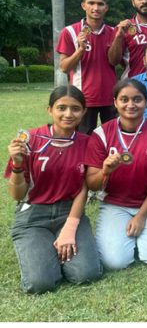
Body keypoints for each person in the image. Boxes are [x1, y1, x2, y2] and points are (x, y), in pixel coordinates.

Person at [5, 86, 102, 294]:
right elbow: (17, 195)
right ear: (50, 110)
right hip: (33, 214)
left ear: (84, 112)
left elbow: (83, 188)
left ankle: (58, 245)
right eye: (61, 108)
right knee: (40, 283)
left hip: (69, 211)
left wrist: (69, 229)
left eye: (75, 109)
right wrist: (17, 164)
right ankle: (43, 249)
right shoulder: (31, 139)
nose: (68, 114)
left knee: (86, 274)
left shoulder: (87, 143)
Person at [84, 79, 147, 271]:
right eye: (124, 99)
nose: (131, 105)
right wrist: (105, 172)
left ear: (146, 102)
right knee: (115, 263)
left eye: (137, 99)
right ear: (115, 102)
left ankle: (141, 232)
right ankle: (126, 235)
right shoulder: (101, 134)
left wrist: (141, 216)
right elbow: (92, 184)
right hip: (114, 203)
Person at [57, 0, 117, 134]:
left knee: (112, 139)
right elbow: (64, 67)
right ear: (83, 5)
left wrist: (119, 38)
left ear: (106, 7)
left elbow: (115, 61)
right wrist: (80, 49)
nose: (96, 8)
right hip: (83, 97)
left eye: (100, 4)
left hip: (110, 97)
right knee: (83, 140)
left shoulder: (113, 32)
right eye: (91, 3)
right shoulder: (70, 31)